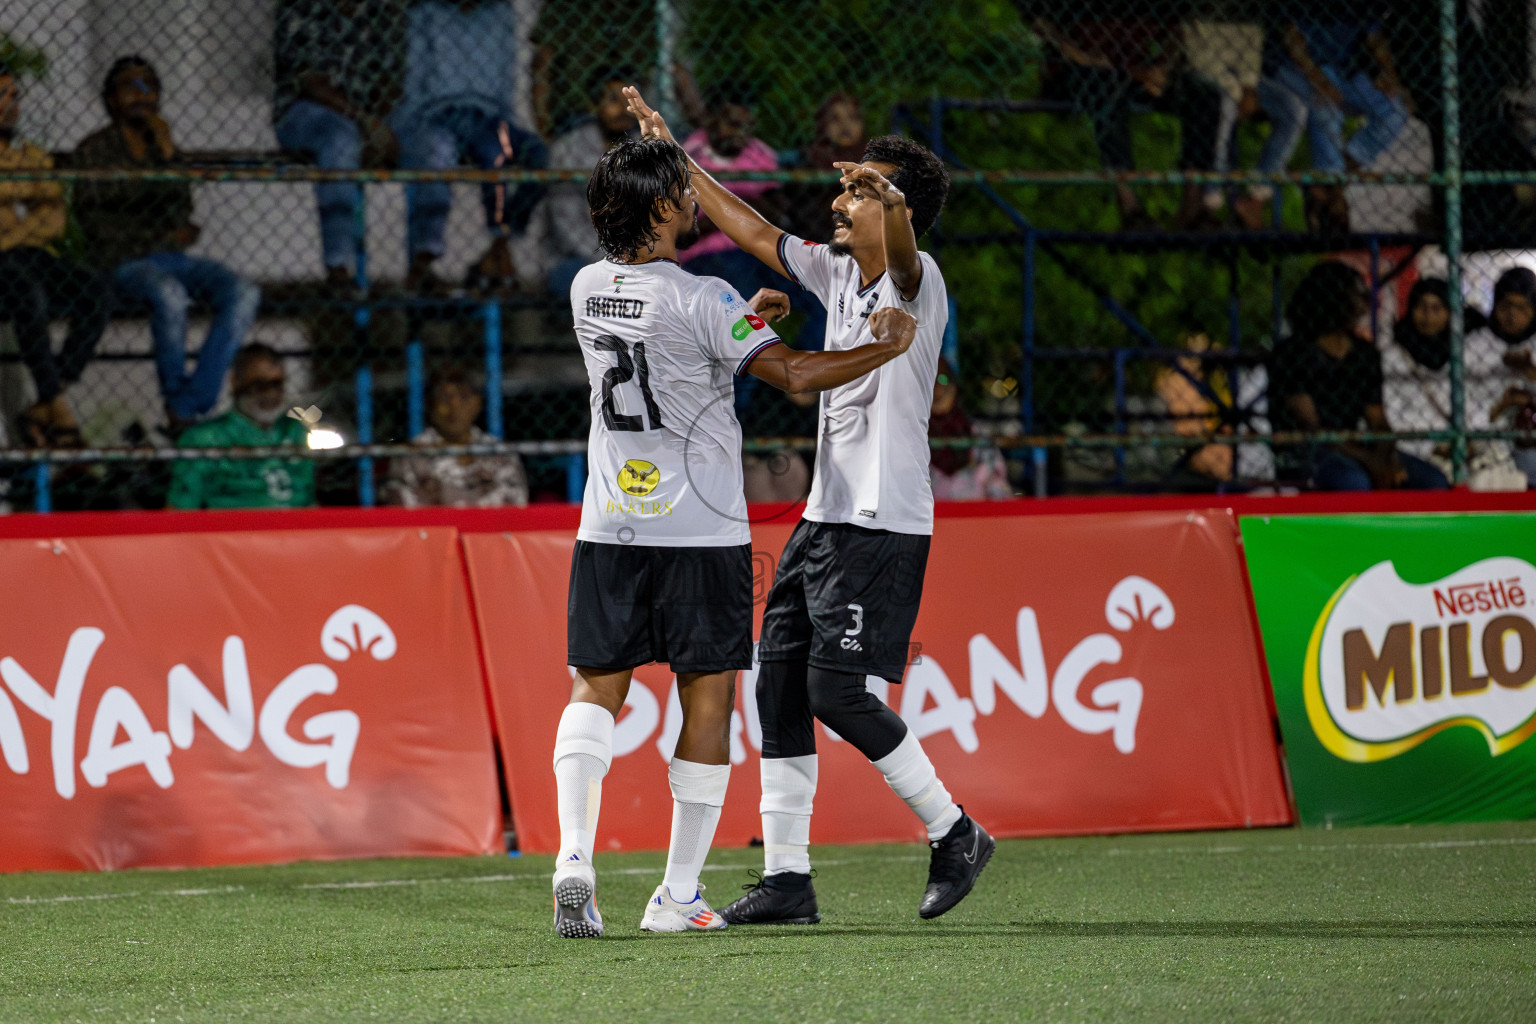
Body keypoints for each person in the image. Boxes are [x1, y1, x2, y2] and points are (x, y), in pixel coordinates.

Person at [625, 87, 995, 926]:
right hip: (825, 519)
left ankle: (955, 830)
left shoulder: (919, 278)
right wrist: (678, 154)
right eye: (851, 184)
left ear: (898, 208)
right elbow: (752, 229)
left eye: (861, 189)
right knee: (780, 685)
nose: (841, 198)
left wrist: (894, 208)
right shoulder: (835, 271)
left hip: (883, 520)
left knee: (835, 690)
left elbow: (901, 255)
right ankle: (788, 879)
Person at [551, 136, 920, 938]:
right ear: (657, 209)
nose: (694, 203)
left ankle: (574, 857)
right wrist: (881, 346)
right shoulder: (704, 297)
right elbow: (790, 377)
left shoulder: (585, 289)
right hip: (699, 532)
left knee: (596, 689)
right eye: (682, 192)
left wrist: (748, 319)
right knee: (708, 699)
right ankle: (677, 895)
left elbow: (670, 357)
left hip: (609, 524)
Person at [73, 57, 262, 432]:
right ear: (111, 99)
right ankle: (181, 406)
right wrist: (161, 230)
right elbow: (98, 227)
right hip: (122, 263)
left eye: (149, 86)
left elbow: (181, 208)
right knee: (169, 294)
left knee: (243, 291)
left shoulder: (162, 144)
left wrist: (170, 156)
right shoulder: (94, 150)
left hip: (172, 258)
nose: (142, 95)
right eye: (131, 86)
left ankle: (188, 405)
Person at [390, 0, 548, 293]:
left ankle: (498, 247)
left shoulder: (500, 13)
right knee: (437, 151)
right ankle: (424, 259)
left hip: (487, 117)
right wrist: (403, 130)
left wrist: (504, 121)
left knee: (530, 153)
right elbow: (414, 81)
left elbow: (505, 80)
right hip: (437, 115)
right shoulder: (425, 12)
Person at [1033, 11, 1226, 230]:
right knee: (1102, 84)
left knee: (1204, 93)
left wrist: (1161, 67)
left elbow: (1174, 32)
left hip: (1135, 71)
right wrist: (1079, 55)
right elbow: (1041, 21)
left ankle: (1193, 203)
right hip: (1079, 70)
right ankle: (1130, 207)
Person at [0, 66, 109, 447]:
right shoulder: (25, 163)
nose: (11, 105)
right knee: (26, 290)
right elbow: (39, 216)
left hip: (29, 256)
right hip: (9, 268)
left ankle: (48, 398)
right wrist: (27, 222)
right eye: (2, 96)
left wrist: (12, 232)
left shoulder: (28, 154)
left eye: (15, 96)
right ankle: (57, 406)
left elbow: (54, 220)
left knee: (95, 290)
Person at [1271, 261, 1447, 491]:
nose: (1365, 303)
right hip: (1307, 449)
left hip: (1356, 443)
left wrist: (1388, 458)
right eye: (1357, 295)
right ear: (1335, 300)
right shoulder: (1293, 352)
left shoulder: (1364, 353)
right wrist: (1369, 462)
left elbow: (1377, 417)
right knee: (1354, 482)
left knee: (1433, 481)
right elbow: (1312, 427)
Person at [272, 0, 406, 293]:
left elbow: (389, 81)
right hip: (304, 113)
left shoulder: (380, 14)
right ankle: (338, 267)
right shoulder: (300, 9)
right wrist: (364, 122)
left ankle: (422, 269)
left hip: (363, 116)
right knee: (340, 139)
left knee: (416, 140)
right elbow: (310, 83)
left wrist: (378, 124)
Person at [1236, 9, 1409, 233]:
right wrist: (1319, 79)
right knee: (1324, 106)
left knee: (1395, 112)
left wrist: (1389, 75)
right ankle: (1328, 188)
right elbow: (1292, 39)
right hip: (1293, 68)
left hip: (1341, 71)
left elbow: (1374, 36)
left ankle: (1332, 181)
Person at [166, 343, 316, 509]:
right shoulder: (205, 438)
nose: (270, 393)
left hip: (298, 528)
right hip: (238, 530)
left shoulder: (294, 430)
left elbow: (310, 500)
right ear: (235, 382)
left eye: (276, 384)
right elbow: (179, 510)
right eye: (259, 384)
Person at [540, 69, 639, 297]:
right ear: (594, 106)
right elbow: (566, 226)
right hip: (579, 258)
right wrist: (612, 262)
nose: (623, 109)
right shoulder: (567, 150)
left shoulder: (645, 149)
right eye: (613, 100)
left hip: (637, 258)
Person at [385, 367, 528, 506]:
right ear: (430, 405)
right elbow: (403, 509)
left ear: (477, 403)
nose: (454, 407)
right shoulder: (411, 456)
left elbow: (516, 505)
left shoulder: (500, 454)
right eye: (444, 398)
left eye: (463, 397)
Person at [929, 356, 1013, 500]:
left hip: (975, 518)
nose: (936, 388)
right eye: (928, 382)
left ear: (955, 387)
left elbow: (999, 490)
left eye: (942, 379)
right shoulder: (909, 438)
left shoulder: (978, 435)